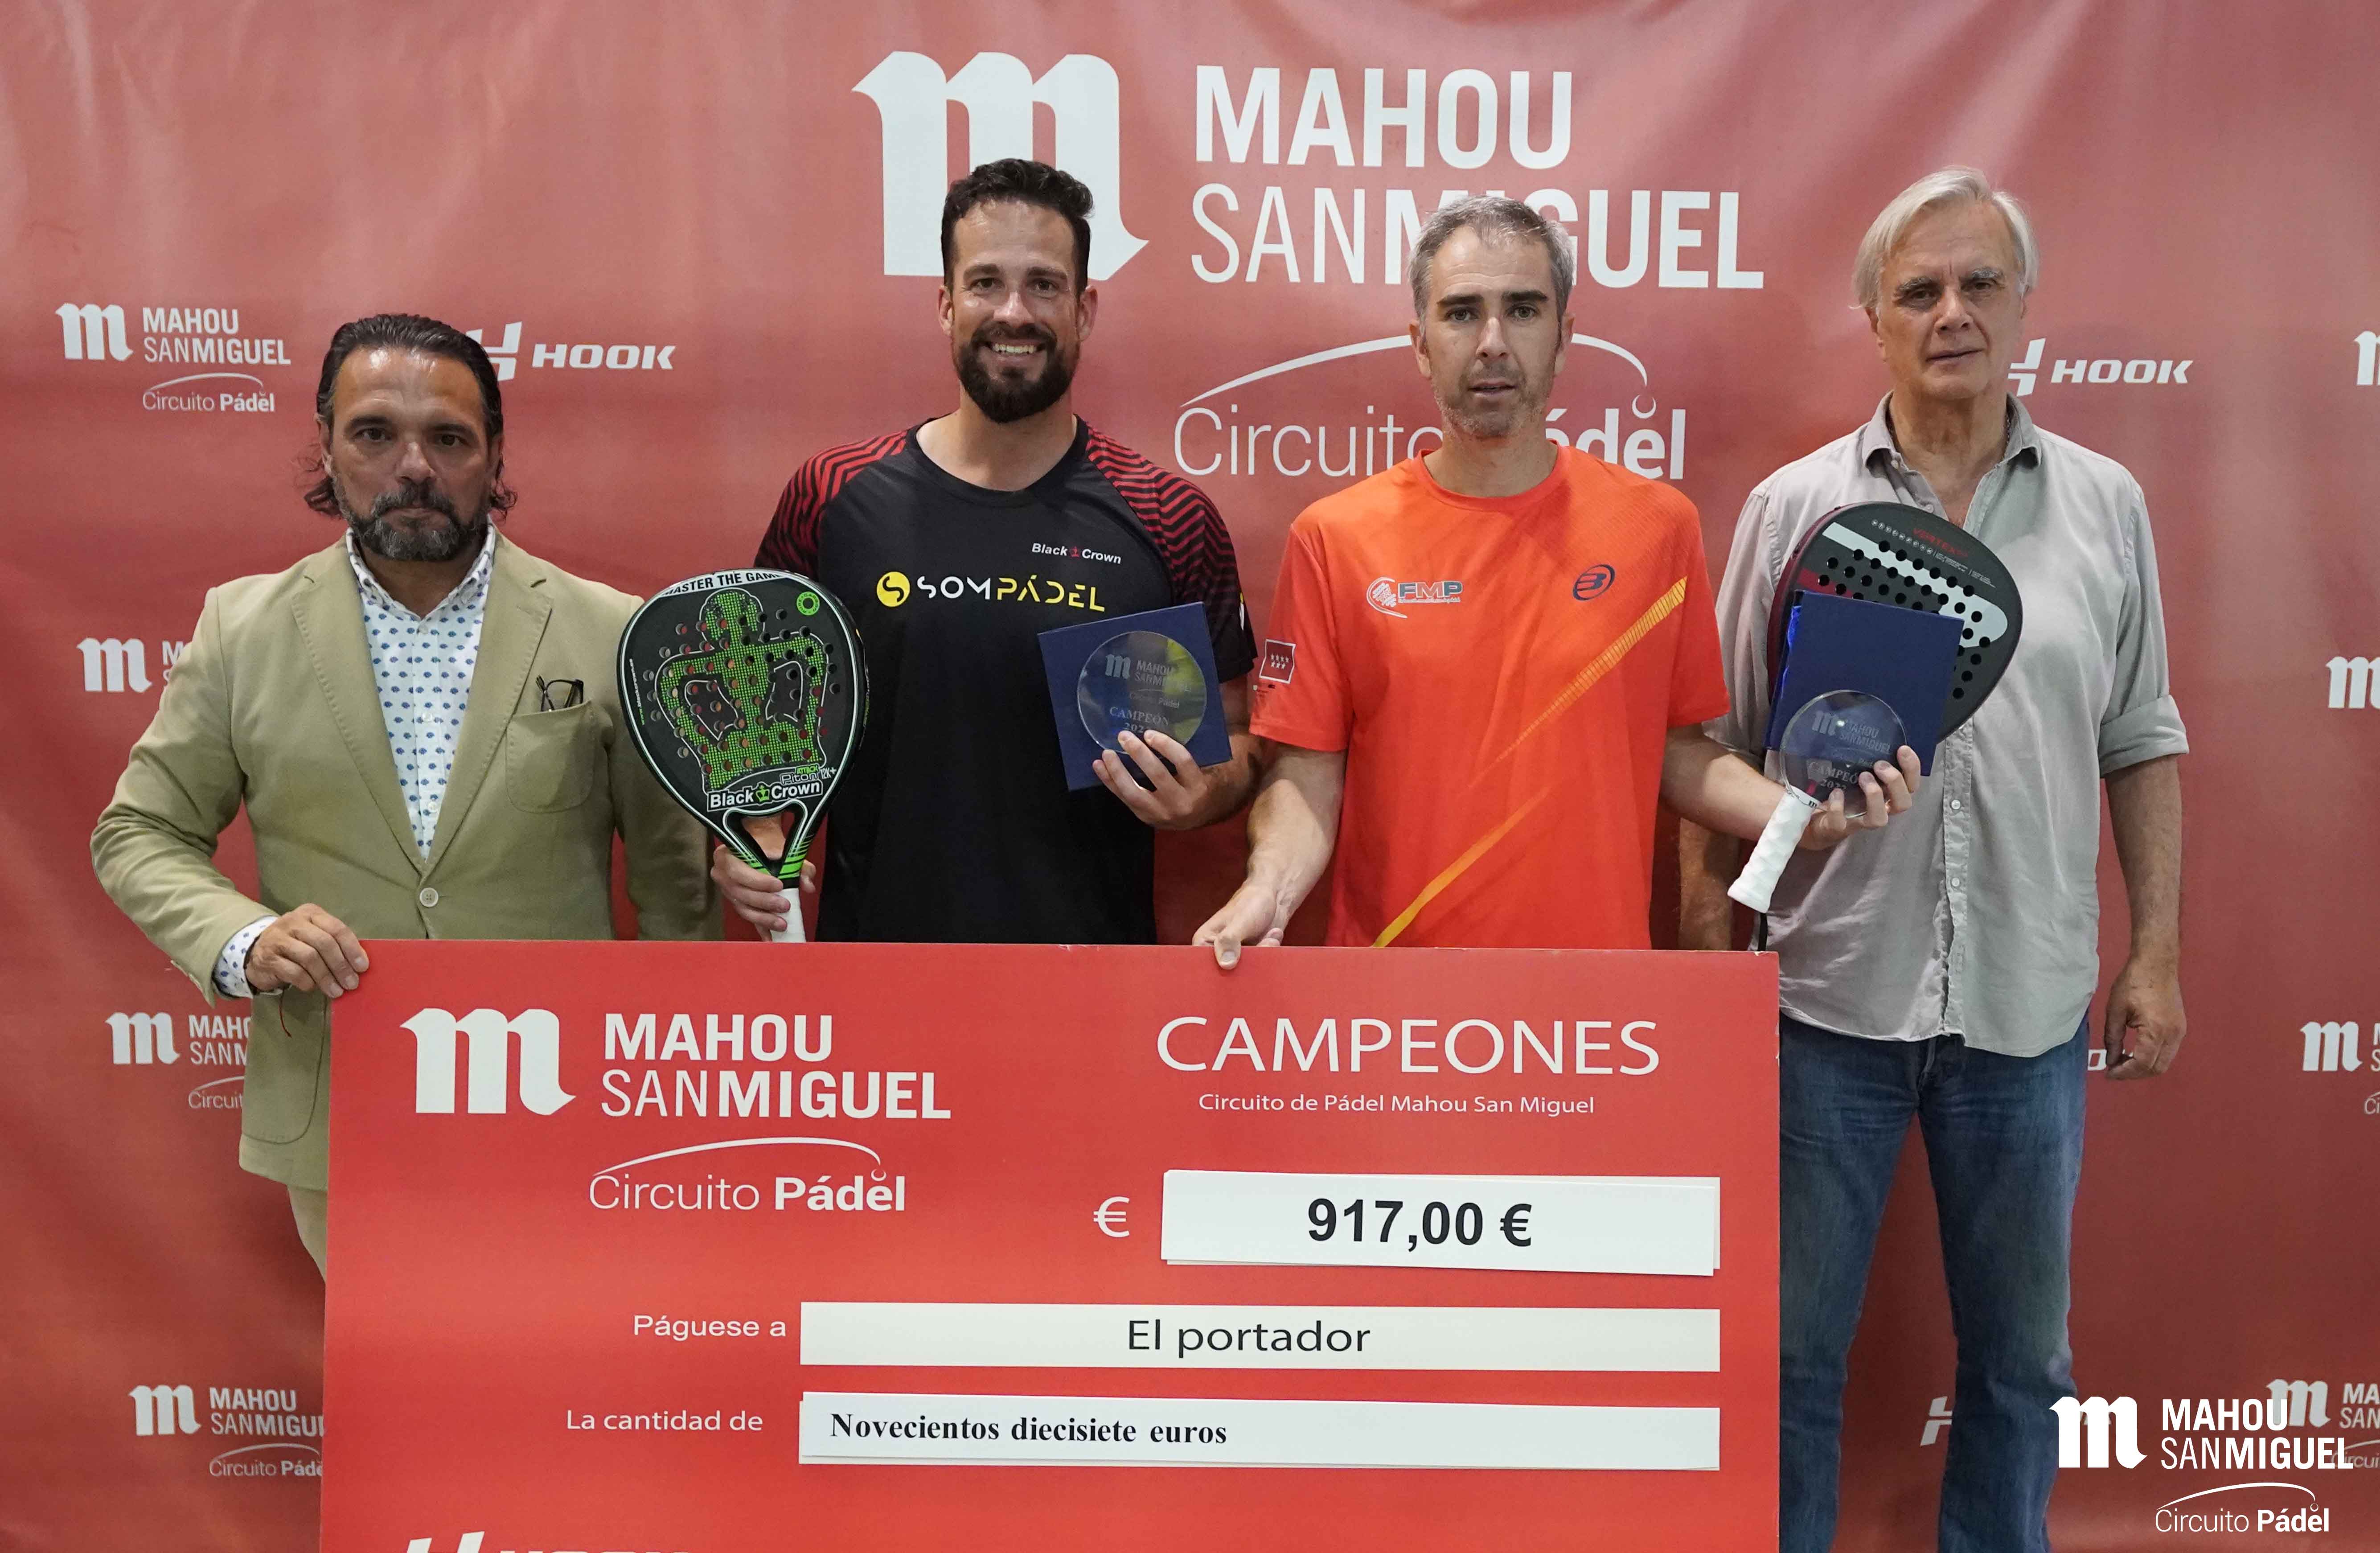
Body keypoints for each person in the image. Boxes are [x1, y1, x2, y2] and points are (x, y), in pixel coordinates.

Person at [1679, 168, 2189, 1553]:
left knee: (2021, 1368)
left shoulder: (2105, 505)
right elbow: (1709, 752)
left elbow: (2141, 738)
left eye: (1977, 284)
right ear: (1873, 319)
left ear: (2023, 305)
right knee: (1785, 1364)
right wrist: (1704, 965)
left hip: (2027, 1010)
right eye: (1917, 290)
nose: (1950, 312)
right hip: (1822, 1005)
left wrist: (2153, 953)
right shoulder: (1792, 508)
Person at [90, 314, 716, 1277]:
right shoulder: (242, 631)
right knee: (389, 1374)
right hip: (345, 1104)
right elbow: (139, 830)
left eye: (449, 439)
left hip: (568, 1105)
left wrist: (676, 1100)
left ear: (495, 454)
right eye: (376, 433)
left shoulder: (612, 631)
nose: (414, 467)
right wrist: (243, 938)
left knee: (560, 1369)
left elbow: (675, 888)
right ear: (328, 446)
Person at [1196, 196, 1918, 961]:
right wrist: (1268, 890)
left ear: (1565, 337)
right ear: (1421, 344)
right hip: (1397, 993)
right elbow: (1306, 771)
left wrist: (1795, 817)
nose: (1493, 343)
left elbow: (1676, 751)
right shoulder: (1335, 538)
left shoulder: (1656, 527)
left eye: (1524, 310)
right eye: (1462, 313)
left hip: (1593, 998)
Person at [719, 158, 1260, 943]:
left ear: (1084, 309)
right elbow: (761, 725)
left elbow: (1240, 738)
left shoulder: (1169, 515)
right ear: (946, 305)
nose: (1014, 312)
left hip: (1092, 979)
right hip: (876, 972)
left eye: (1044, 285)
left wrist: (1203, 796)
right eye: (985, 283)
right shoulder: (833, 496)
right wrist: (755, 834)